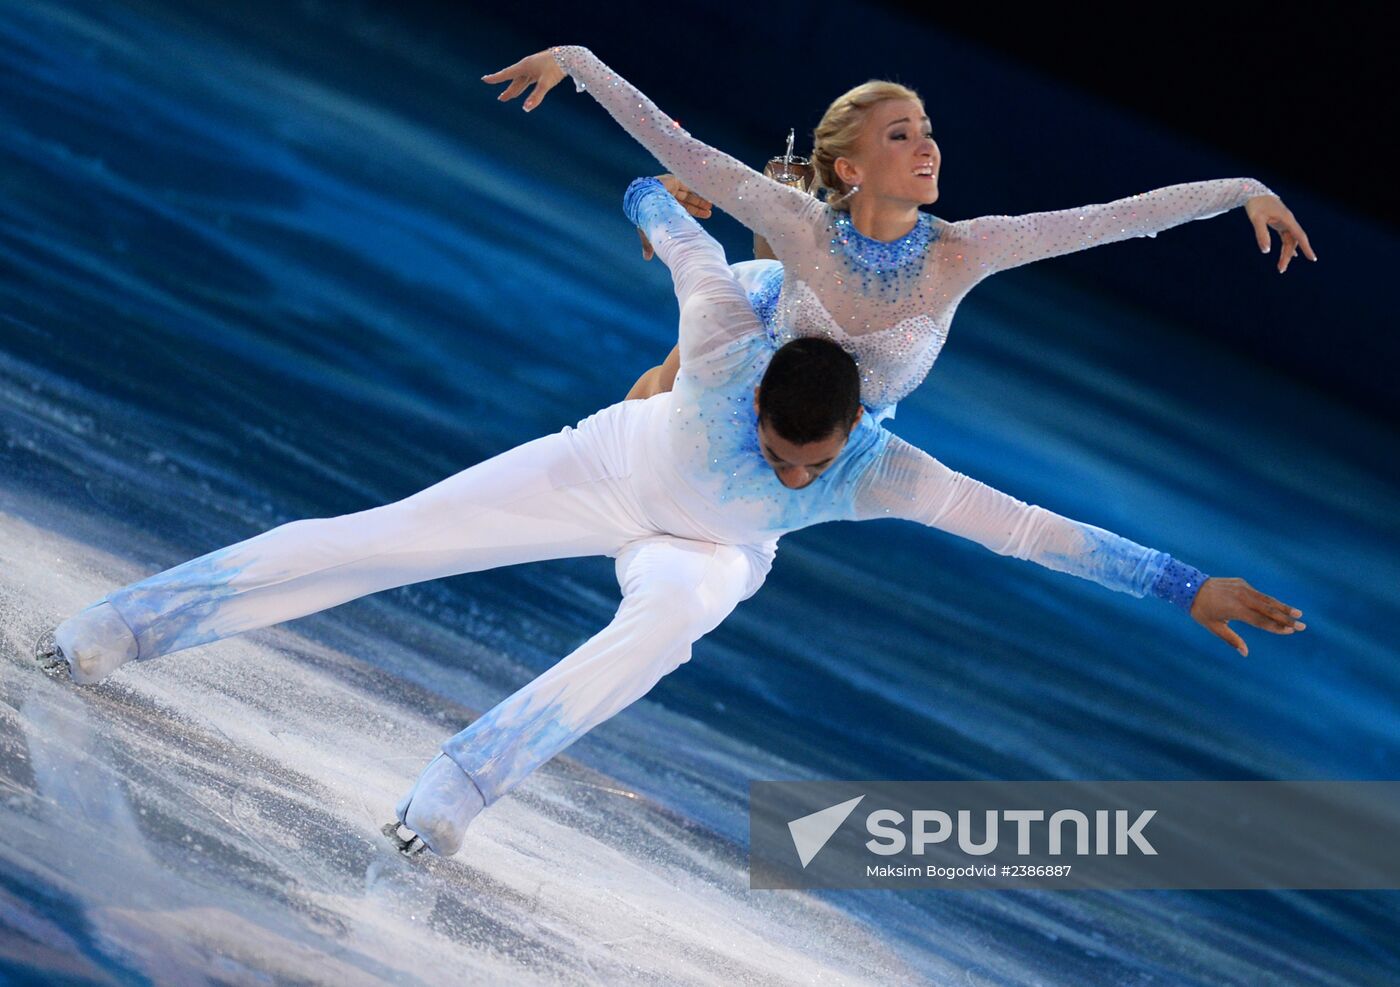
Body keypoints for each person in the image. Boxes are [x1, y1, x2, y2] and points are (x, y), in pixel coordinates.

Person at [40, 179, 1304, 859]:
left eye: (813, 465)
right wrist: (661, 212)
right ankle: (119, 627)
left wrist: (1184, 585)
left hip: (705, 551)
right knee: (379, 537)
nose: (799, 474)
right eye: (782, 454)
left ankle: (454, 790)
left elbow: (1027, 528)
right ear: (756, 403)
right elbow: (654, 195)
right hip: (603, 468)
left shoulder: (875, 468)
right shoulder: (717, 344)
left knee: (666, 628)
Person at [484, 47, 1317, 421]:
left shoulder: (965, 251)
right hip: (761, 348)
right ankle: (605, 430)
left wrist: (1239, 190)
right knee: (687, 357)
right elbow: (687, 148)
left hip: (830, 429)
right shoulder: (805, 222)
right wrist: (579, 62)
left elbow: (1111, 220)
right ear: (849, 169)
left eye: (927, 128)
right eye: (900, 135)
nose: (927, 145)